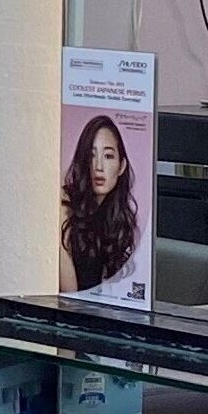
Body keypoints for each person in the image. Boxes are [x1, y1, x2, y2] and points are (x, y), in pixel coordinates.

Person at [59, 113, 140, 293]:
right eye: (91, 155)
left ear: (122, 166)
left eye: (108, 156)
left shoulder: (116, 219)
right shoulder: (63, 206)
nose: (99, 166)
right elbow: (70, 298)